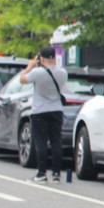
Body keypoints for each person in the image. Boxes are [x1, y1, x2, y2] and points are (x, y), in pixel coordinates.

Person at [20, 46, 69, 183]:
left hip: (40, 110)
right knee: (56, 142)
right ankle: (56, 174)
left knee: (41, 142)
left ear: (41, 58)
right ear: (54, 57)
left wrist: (30, 67)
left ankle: (41, 173)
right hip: (57, 110)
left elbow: (22, 80)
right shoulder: (63, 73)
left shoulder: (37, 73)